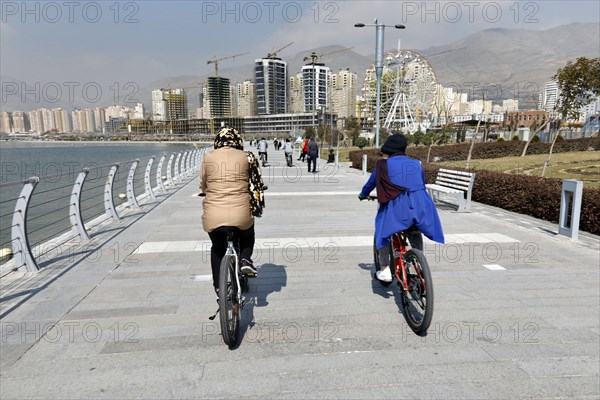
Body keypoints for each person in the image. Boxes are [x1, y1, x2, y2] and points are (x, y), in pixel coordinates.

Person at [358, 134, 444, 283]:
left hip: (396, 207)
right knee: (414, 229)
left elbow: (370, 185)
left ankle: (385, 269)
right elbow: (420, 183)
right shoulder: (417, 164)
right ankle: (419, 260)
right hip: (421, 205)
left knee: (383, 231)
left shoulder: (382, 165)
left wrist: (362, 194)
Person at [199, 127, 266, 295]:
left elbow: (203, 183)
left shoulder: (208, 157)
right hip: (241, 214)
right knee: (247, 235)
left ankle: (219, 287)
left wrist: (205, 190)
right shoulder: (247, 157)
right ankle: (245, 259)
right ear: (238, 141)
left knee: (217, 249)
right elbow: (256, 182)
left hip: (214, 217)